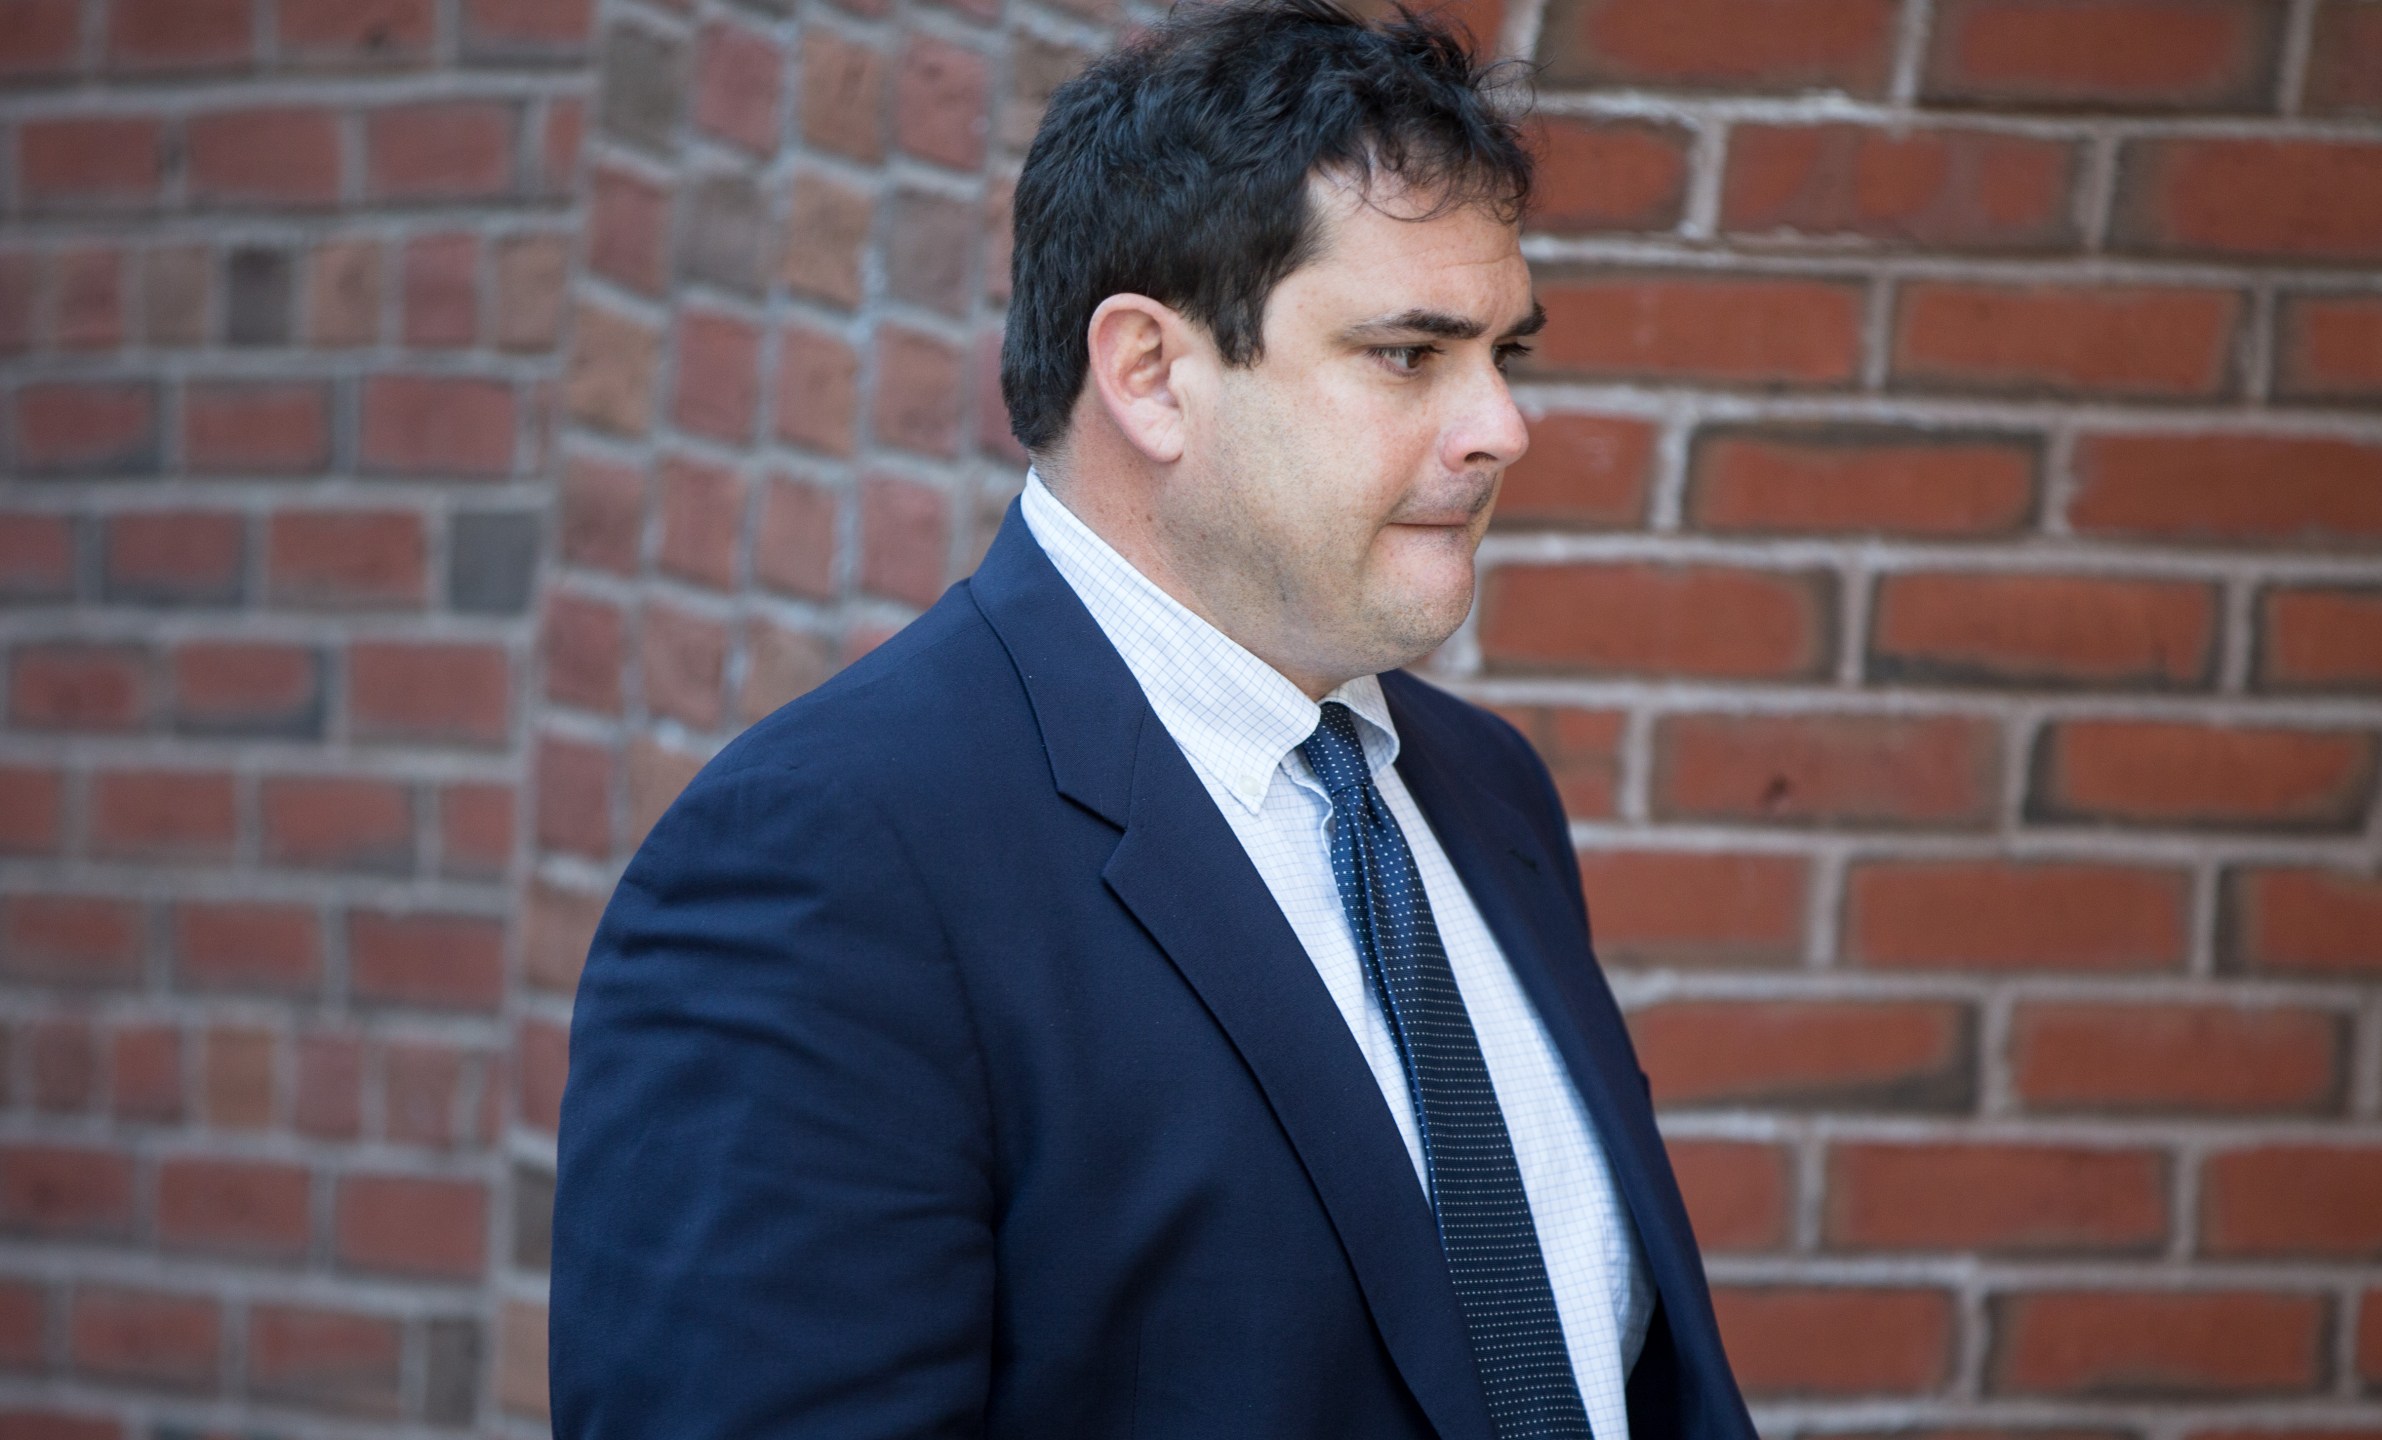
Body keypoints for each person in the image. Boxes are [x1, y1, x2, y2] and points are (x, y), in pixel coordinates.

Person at [547, 3, 1759, 1436]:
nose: (1501, 424)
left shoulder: (1481, 791)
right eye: (1409, 354)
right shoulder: (831, 863)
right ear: (1149, 375)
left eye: (1508, 353)